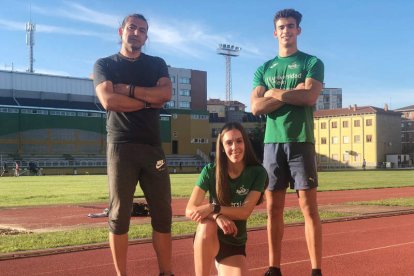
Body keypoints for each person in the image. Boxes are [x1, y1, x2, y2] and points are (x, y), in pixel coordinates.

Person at [93, 13, 173, 276]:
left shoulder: (157, 63)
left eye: (141, 30)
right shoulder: (104, 64)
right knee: (118, 214)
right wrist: (149, 100)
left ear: (146, 37)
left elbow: (165, 95)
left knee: (163, 214)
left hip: (152, 147)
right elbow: (109, 101)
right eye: (131, 28)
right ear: (121, 31)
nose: (136, 33)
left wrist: (126, 90)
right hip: (121, 146)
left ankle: (166, 272)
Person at [250, 9, 324, 276]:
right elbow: (256, 107)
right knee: (273, 209)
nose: (286, 31)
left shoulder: (312, 62)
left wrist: (275, 93)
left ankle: (316, 270)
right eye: (281, 27)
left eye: (291, 26)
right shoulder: (264, 68)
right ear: (275, 32)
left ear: (298, 30)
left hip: (301, 140)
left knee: (308, 208)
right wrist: (293, 93)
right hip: (272, 143)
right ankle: (274, 268)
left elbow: (309, 98)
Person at [185, 122, 268, 276]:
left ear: (245, 143)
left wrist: (213, 207)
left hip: (234, 240)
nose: (235, 147)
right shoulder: (210, 171)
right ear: (222, 147)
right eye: (229, 143)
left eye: (239, 141)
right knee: (206, 226)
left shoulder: (258, 173)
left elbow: (244, 212)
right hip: (209, 238)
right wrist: (216, 216)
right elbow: (190, 209)